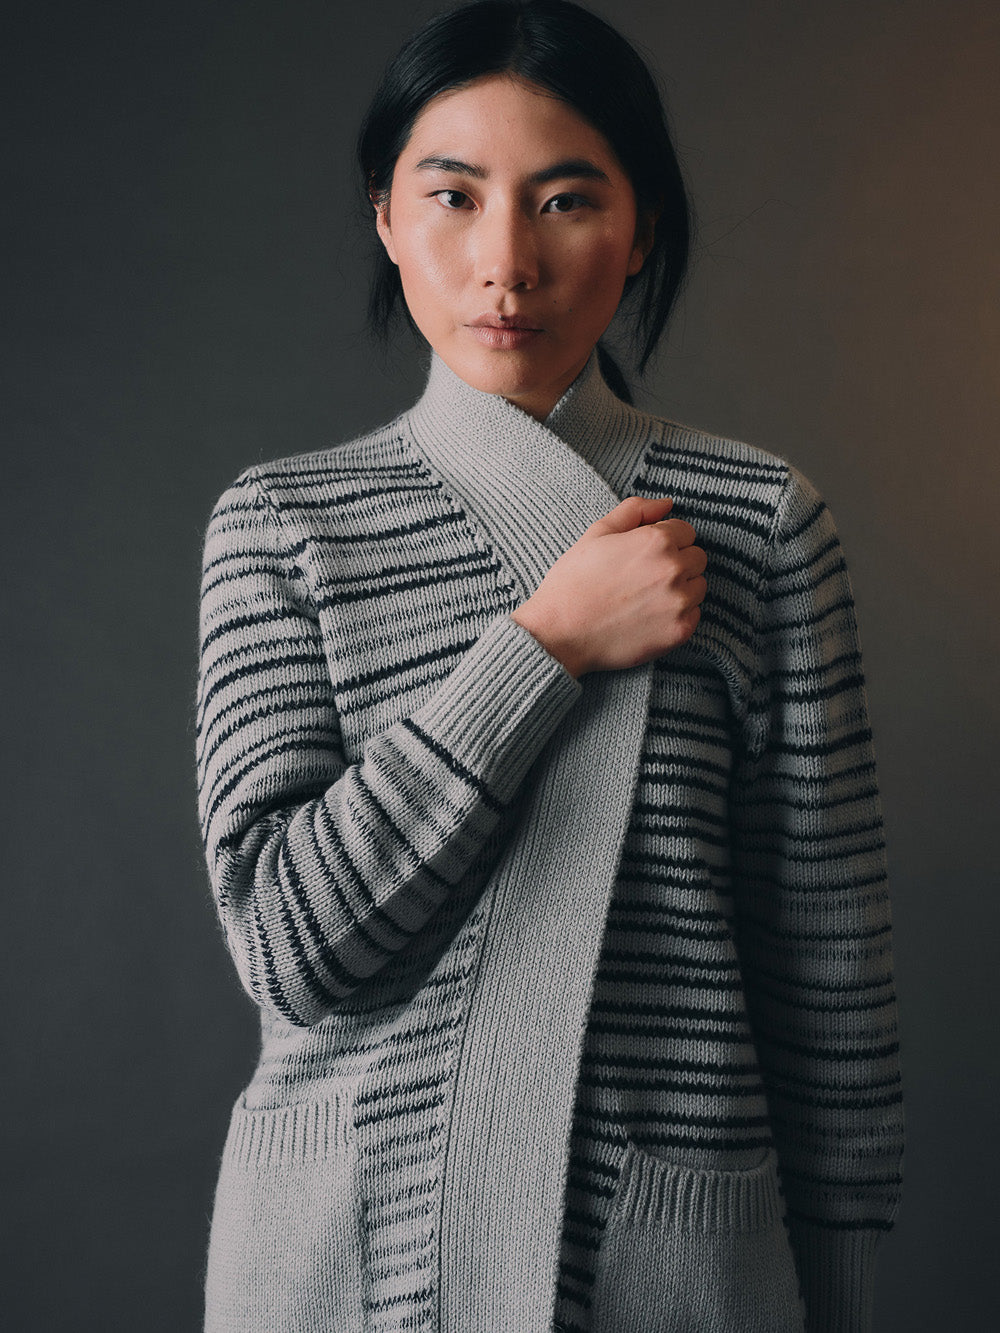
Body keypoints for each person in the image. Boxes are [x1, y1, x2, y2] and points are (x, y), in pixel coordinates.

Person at [195, 2, 903, 1330]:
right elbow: (289, 942)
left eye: (567, 199)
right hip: (343, 1267)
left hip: (668, 1261)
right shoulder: (284, 522)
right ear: (388, 215)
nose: (504, 263)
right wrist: (543, 646)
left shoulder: (756, 521)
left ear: (638, 230)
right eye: (452, 197)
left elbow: (827, 977)